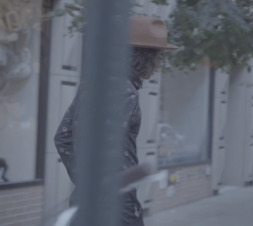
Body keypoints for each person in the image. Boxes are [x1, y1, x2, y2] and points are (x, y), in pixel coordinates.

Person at [54, 15, 178, 226]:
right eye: (158, 56)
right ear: (144, 57)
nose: (158, 64)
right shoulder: (125, 91)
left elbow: (63, 138)